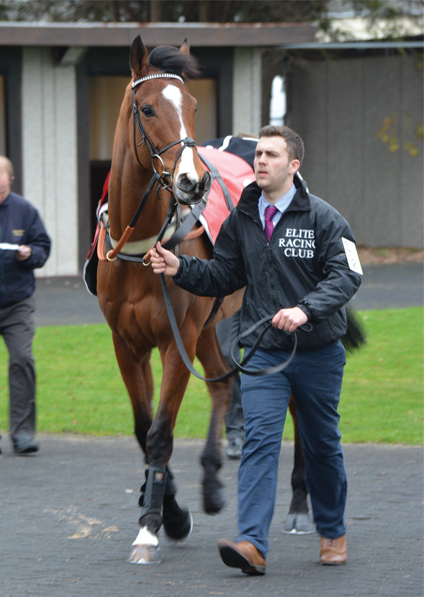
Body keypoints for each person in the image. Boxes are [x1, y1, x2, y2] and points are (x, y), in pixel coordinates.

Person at [150, 125, 362, 575]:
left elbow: (347, 277)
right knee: (260, 443)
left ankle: (332, 530)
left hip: (319, 353)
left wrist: (306, 310)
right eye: (259, 153)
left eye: (271, 155)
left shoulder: (325, 218)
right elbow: (222, 275)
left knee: (322, 445)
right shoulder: (242, 219)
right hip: (264, 353)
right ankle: (252, 543)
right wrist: (179, 267)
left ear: (294, 166)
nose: (260, 160)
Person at [0, 156, 51, 455]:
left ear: (11, 179)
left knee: (21, 360)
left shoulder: (25, 211)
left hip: (17, 302)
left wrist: (29, 254)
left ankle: (22, 433)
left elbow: (43, 247)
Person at [215, 311, 244, 459]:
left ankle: (261, 432)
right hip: (230, 294)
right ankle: (235, 432)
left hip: (265, 293)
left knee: (266, 358)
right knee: (227, 357)